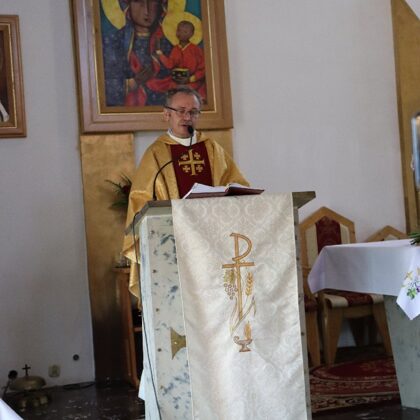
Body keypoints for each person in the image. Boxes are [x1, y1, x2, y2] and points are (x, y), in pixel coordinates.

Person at [122, 86, 248, 299]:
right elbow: (140, 201)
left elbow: (237, 184)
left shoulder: (212, 149)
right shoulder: (156, 154)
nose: (187, 117)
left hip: (213, 241)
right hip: (172, 244)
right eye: (181, 111)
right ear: (166, 114)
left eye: (193, 112)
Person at [102, 0, 173, 106]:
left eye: (153, 2)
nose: (146, 11)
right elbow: (106, 88)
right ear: (127, 6)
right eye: (138, 2)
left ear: (161, 7)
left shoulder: (166, 45)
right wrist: (134, 82)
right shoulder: (113, 42)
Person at [156, 20, 206, 100]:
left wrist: (191, 79)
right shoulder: (175, 49)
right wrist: (160, 54)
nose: (180, 33)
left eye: (185, 32)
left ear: (191, 34)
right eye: (179, 30)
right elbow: (170, 64)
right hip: (178, 81)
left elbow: (203, 68)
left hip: (193, 82)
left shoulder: (196, 50)